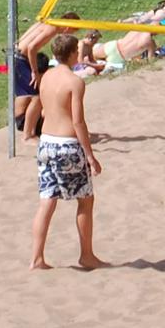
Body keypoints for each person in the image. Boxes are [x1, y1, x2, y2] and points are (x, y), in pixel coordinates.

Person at [25, 33, 105, 270]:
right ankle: (86, 255)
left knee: (47, 201)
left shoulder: (47, 76)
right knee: (85, 200)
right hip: (67, 145)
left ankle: (36, 258)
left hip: (46, 143)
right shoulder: (74, 82)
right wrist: (90, 156)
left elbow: (42, 111)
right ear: (72, 54)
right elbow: (78, 122)